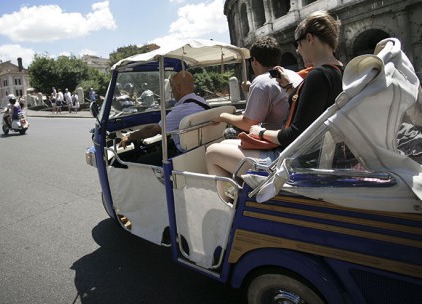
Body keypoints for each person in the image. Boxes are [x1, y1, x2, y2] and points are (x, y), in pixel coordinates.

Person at [207, 10, 344, 201]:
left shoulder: (317, 76)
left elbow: (291, 135)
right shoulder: (338, 71)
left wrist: (259, 132)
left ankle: (232, 208)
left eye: (298, 44)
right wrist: (289, 88)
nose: (297, 50)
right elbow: (310, 112)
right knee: (226, 144)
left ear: (310, 38)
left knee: (212, 152)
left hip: (292, 160)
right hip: (314, 152)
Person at [217, 36, 302, 139]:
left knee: (229, 132)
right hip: (296, 136)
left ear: (255, 61)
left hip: (277, 140)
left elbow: (248, 124)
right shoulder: (294, 75)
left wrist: (223, 116)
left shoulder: (261, 81)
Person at [119, 70, 209, 165]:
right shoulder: (202, 102)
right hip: (199, 149)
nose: (172, 92)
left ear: (178, 88)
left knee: (141, 161)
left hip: (183, 154)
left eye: (172, 89)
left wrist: (129, 137)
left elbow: (152, 131)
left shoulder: (181, 109)